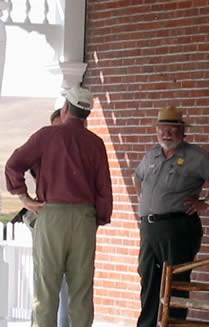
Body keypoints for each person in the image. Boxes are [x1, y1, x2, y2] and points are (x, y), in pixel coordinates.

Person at [5, 86, 113, 327]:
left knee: (46, 290)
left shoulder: (47, 135)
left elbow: (14, 165)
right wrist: (99, 218)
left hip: (51, 214)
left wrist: (24, 198)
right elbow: (104, 187)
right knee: (82, 292)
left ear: (66, 108)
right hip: (85, 218)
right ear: (87, 114)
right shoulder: (96, 143)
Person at [135, 105, 209, 327]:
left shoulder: (195, 156)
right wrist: (144, 200)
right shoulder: (152, 154)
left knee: (177, 282)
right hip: (150, 228)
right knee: (148, 279)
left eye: (172, 129)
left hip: (178, 227)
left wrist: (206, 203)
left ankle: (173, 324)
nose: (166, 134)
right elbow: (137, 176)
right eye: (162, 129)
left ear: (183, 132)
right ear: (156, 131)